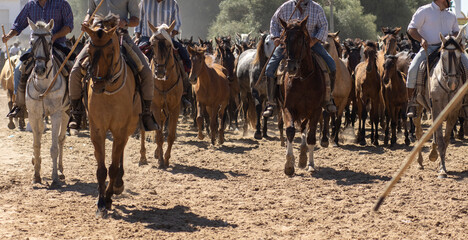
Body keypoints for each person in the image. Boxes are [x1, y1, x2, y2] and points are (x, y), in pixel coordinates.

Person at [68, 0, 159, 131]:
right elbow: (90, 12)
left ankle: (146, 114)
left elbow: (136, 20)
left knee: (146, 71)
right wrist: (86, 21)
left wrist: (126, 22)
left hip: (120, 36)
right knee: (75, 71)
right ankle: (76, 113)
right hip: (97, 37)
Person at [263, 0, 337, 117]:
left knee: (331, 65)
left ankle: (328, 98)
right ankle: (271, 103)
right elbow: (274, 22)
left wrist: (314, 40)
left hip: (310, 43)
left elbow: (323, 27)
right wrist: (276, 37)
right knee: (269, 69)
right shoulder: (286, 7)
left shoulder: (316, 8)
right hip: (288, 44)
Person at [3, 0, 74, 118]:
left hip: (57, 44)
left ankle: (74, 106)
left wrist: (54, 36)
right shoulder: (30, 6)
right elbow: (18, 25)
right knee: (17, 70)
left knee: (73, 68)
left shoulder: (62, 4)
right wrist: (9, 36)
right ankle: (19, 105)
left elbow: (68, 26)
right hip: (36, 48)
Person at [406, 0, 468, 117]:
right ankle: (412, 103)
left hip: (449, 49)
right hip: (428, 48)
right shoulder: (424, 11)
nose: (450, 1)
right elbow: (411, 29)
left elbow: (456, 31)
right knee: (412, 70)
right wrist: (421, 40)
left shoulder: (451, 15)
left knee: (467, 66)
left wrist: (455, 38)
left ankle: (465, 103)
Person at [135, 0, 192, 108]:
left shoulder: (173, 3)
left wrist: (168, 34)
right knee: (135, 59)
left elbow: (177, 25)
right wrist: (137, 37)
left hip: (166, 39)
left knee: (185, 56)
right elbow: (139, 22)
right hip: (148, 38)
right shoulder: (144, 2)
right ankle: (136, 92)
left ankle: (184, 93)